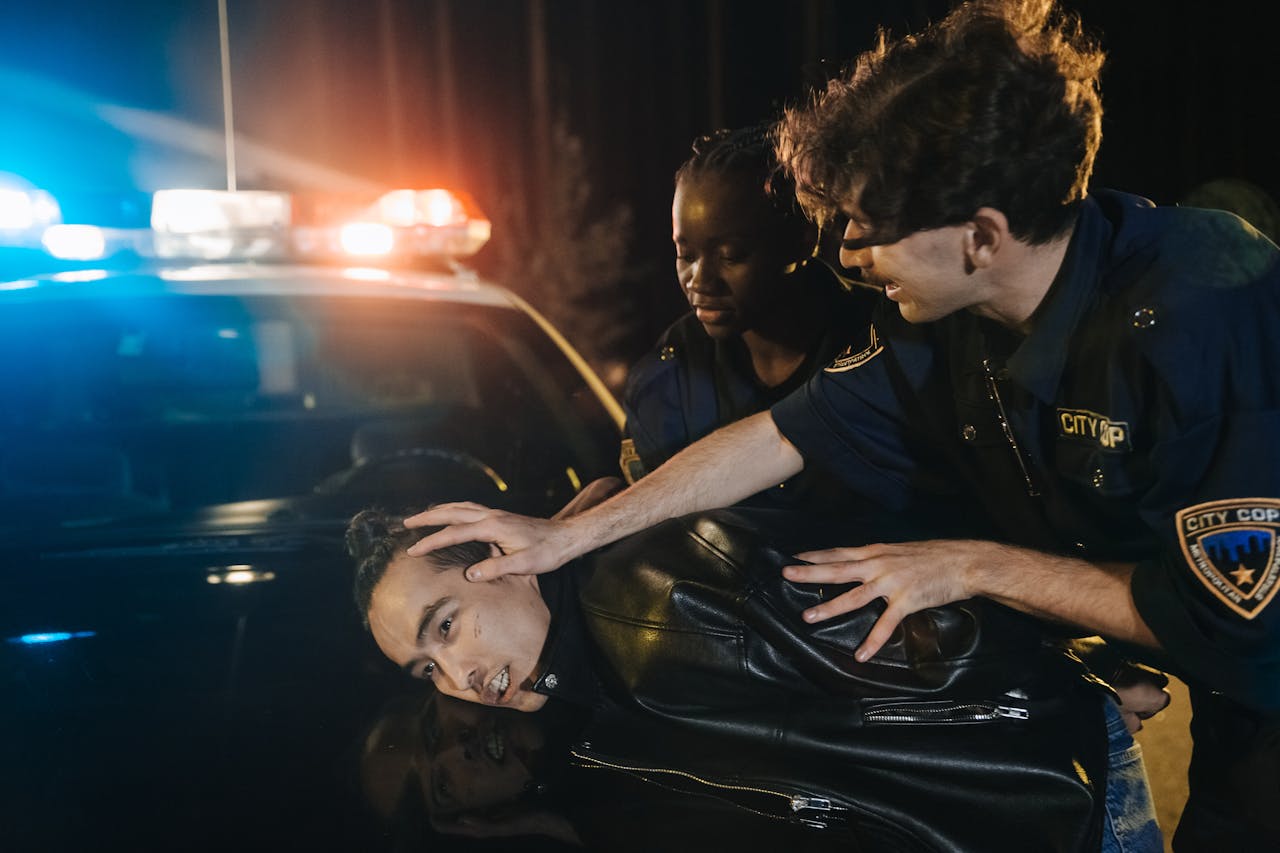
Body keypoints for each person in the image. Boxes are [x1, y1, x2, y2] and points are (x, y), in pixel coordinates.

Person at [402, 1, 1278, 849]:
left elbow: (1228, 612)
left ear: (981, 234)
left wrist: (974, 568)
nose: (850, 254)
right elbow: (782, 434)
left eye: (871, 228)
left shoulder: (1206, 312)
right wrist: (568, 536)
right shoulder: (945, 319)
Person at [348, 505, 1114, 851]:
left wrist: (1083, 675)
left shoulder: (667, 585)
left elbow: (942, 645)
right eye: (428, 668)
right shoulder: (572, 716)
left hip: (1058, 815)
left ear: (501, 556)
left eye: (446, 627)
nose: (460, 677)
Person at [557, 123, 880, 520]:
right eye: (685, 253)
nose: (699, 280)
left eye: (730, 255)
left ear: (802, 239)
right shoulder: (671, 375)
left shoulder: (882, 339)